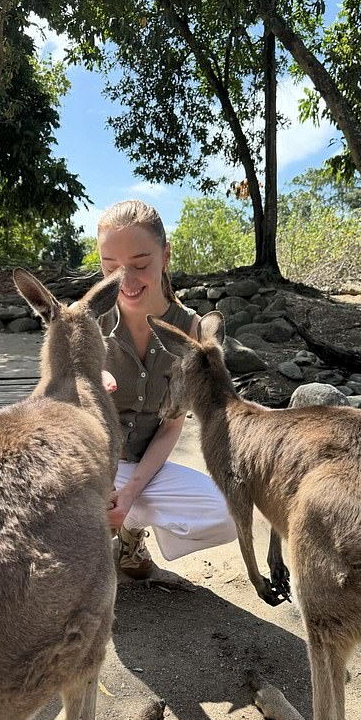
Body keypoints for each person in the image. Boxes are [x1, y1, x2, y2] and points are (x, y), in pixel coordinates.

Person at [96, 199, 236, 579]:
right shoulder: (90, 316)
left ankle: (130, 529)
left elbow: (172, 425)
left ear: (165, 255)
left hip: (144, 468)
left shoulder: (190, 329)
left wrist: (128, 494)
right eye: (110, 269)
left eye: (140, 265)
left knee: (227, 514)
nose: (125, 281)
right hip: (90, 463)